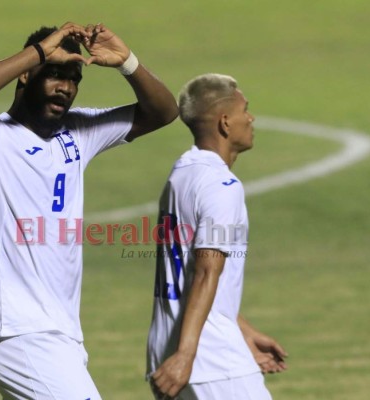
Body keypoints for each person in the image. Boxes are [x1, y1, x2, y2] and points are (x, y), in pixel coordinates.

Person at [0, 22, 178, 399]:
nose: (65, 87)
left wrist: (127, 63)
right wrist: (37, 53)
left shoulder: (77, 133)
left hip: (61, 332)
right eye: (54, 74)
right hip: (17, 330)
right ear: (24, 75)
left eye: (73, 77)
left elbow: (163, 111)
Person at [146, 73, 287, 399]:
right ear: (225, 122)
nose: (250, 118)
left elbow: (190, 272)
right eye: (245, 110)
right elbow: (207, 271)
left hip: (167, 345)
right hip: (208, 357)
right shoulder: (222, 187)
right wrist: (186, 356)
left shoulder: (182, 174)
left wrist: (243, 330)